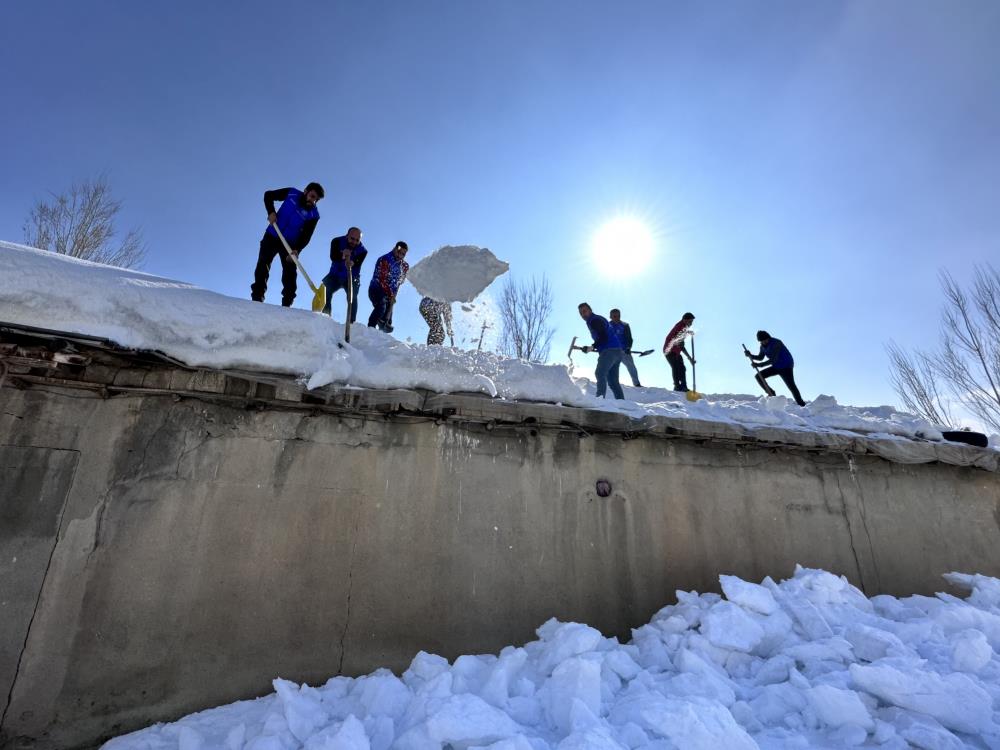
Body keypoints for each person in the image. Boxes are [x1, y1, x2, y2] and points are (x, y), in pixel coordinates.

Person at [250, 183, 324, 306]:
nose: (313, 201)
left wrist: (297, 249)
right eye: (312, 196)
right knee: (263, 265)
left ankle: (287, 304)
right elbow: (268, 195)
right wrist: (271, 212)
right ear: (305, 191)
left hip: (290, 244)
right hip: (273, 235)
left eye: (316, 200)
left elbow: (307, 236)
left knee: (290, 273)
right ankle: (257, 298)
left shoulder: (314, 215)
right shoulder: (292, 193)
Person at [745, 330, 807, 406]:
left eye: (765, 340)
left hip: (786, 366)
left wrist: (759, 365)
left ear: (768, 338)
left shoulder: (776, 343)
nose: (764, 342)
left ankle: (801, 404)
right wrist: (750, 355)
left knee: (791, 386)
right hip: (776, 366)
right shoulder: (762, 346)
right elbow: (760, 357)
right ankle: (771, 393)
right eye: (762, 341)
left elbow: (774, 359)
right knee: (758, 376)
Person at [577, 302, 625, 400]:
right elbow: (603, 336)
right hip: (617, 351)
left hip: (609, 351)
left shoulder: (594, 320)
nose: (583, 314)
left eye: (585, 311)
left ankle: (599, 400)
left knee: (600, 373)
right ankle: (622, 404)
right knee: (613, 382)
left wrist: (592, 347)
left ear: (590, 310)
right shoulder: (597, 319)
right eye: (581, 313)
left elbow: (603, 337)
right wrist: (593, 347)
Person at [322, 227, 367, 322]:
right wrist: (342, 255)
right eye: (352, 238)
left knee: (352, 297)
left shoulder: (363, 251)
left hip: (351, 277)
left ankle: (351, 323)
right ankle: (325, 316)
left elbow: (358, 262)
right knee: (325, 291)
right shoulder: (336, 241)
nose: (354, 242)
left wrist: (352, 262)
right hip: (335, 275)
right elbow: (333, 256)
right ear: (347, 235)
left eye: (357, 240)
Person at [368, 241, 409, 332]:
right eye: (399, 252)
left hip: (390, 295)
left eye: (403, 254)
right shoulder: (385, 260)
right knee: (381, 307)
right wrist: (391, 295)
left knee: (388, 319)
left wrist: (393, 294)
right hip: (376, 290)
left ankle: (382, 339)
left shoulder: (404, 266)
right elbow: (383, 280)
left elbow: (400, 281)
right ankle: (370, 330)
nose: (400, 256)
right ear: (394, 249)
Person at [663, 312, 695, 392]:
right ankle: (677, 387)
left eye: (692, 322)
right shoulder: (680, 327)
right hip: (669, 350)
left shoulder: (683, 327)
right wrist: (690, 358)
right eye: (690, 321)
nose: (691, 324)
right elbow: (681, 345)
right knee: (676, 367)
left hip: (676, 351)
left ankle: (683, 386)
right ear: (684, 320)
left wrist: (688, 332)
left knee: (682, 368)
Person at [609, 308, 641, 387]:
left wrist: (628, 348)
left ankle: (637, 384)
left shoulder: (625, 325)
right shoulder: (607, 326)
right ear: (610, 316)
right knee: (609, 368)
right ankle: (610, 384)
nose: (616, 317)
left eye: (618, 315)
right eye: (614, 316)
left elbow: (629, 338)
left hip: (624, 351)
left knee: (631, 367)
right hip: (611, 351)